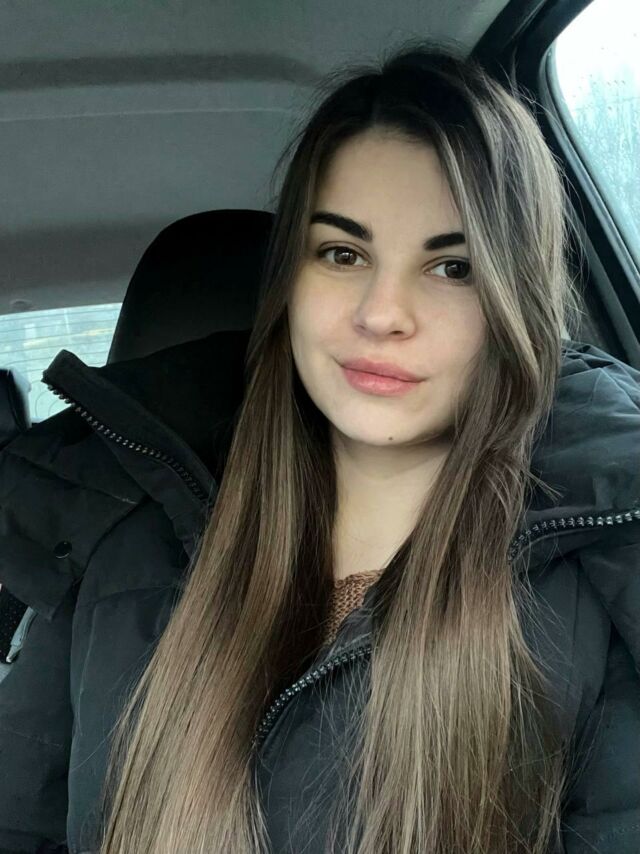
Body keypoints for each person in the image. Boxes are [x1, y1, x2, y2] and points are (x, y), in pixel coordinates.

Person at [0, 39, 639, 854]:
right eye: (343, 253)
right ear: (290, 284)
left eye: (453, 267)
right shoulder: (112, 545)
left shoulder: (602, 584)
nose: (382, 313)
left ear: (517, 303)